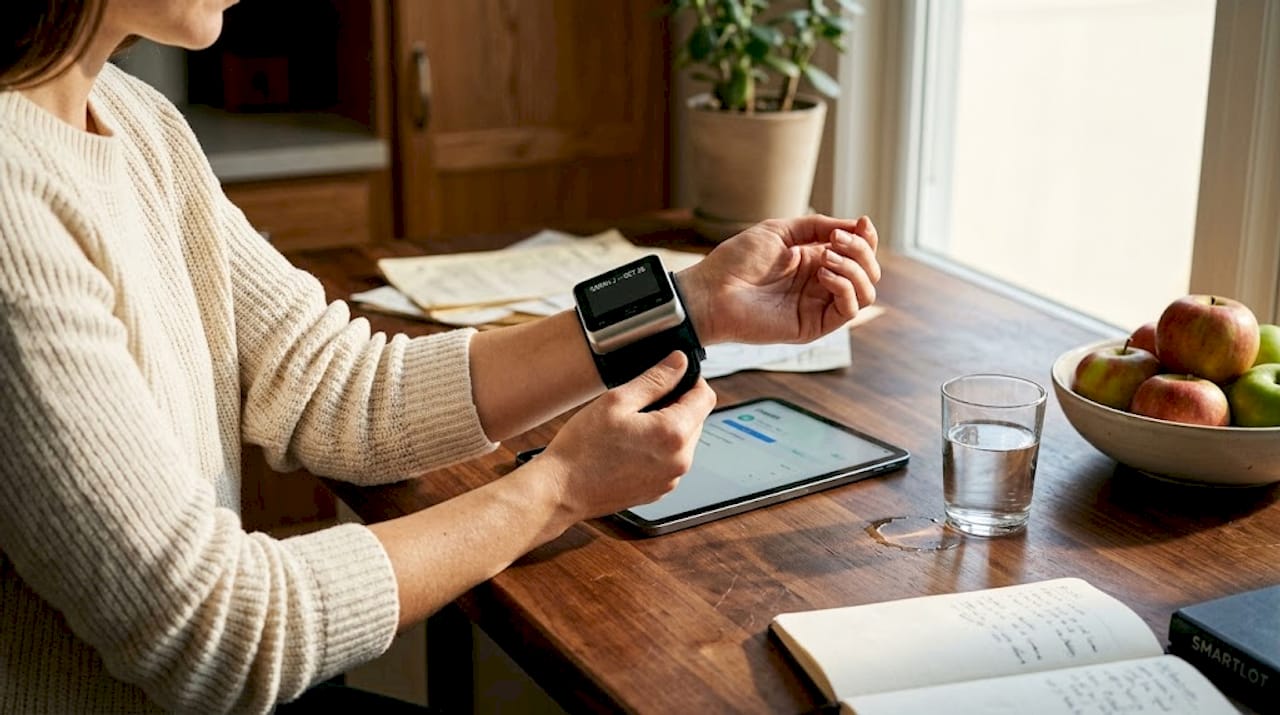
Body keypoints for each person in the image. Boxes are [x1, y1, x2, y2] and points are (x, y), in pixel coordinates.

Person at [0, 1, 882, 712]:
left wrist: (689, 305)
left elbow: (340, 388)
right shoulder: (13, 202)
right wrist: (557, 489)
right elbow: (220, 631)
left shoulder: (137, 120)